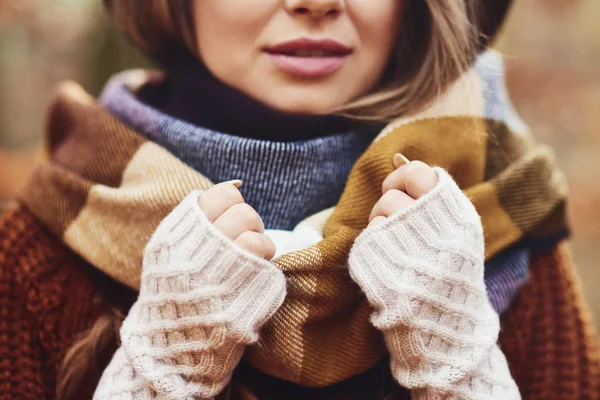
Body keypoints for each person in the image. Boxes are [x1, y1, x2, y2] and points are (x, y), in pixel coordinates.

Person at [0, 0, 598, 399]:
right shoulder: (52, 233)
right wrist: (161, 371)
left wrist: (460, 364)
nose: (315, 1)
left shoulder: (501, 211)